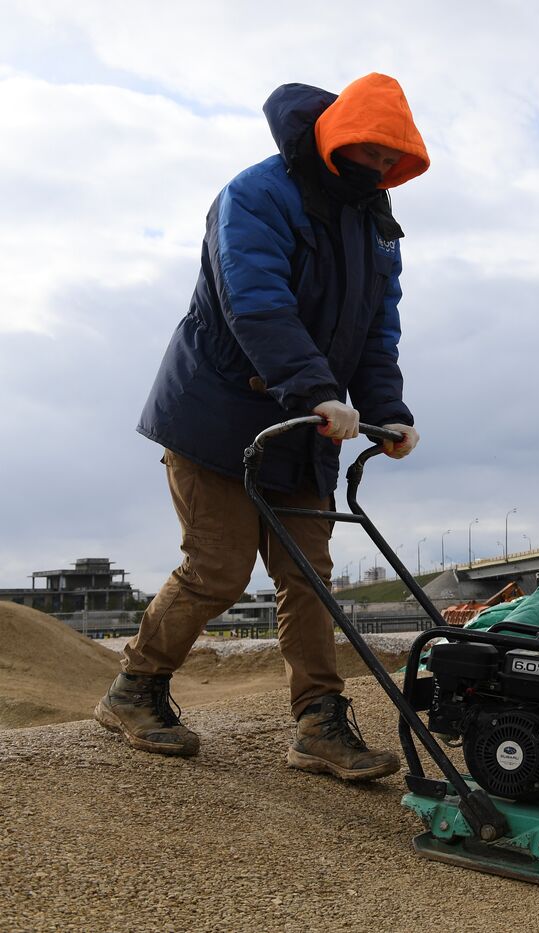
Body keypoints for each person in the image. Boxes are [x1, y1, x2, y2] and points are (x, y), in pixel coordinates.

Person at [95, 74, 429, 783]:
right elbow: (255, 304)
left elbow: (377, 333)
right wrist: (315, 389)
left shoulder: (376, 225)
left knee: (309, 577)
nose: (376, 167)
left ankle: (318, 723)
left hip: (308, 425)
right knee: (217, 567)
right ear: (336, 138)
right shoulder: (255, 195)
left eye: (388, 158)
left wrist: (388, 410)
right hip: (218, 412)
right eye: (366, 151)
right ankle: (135, 688)